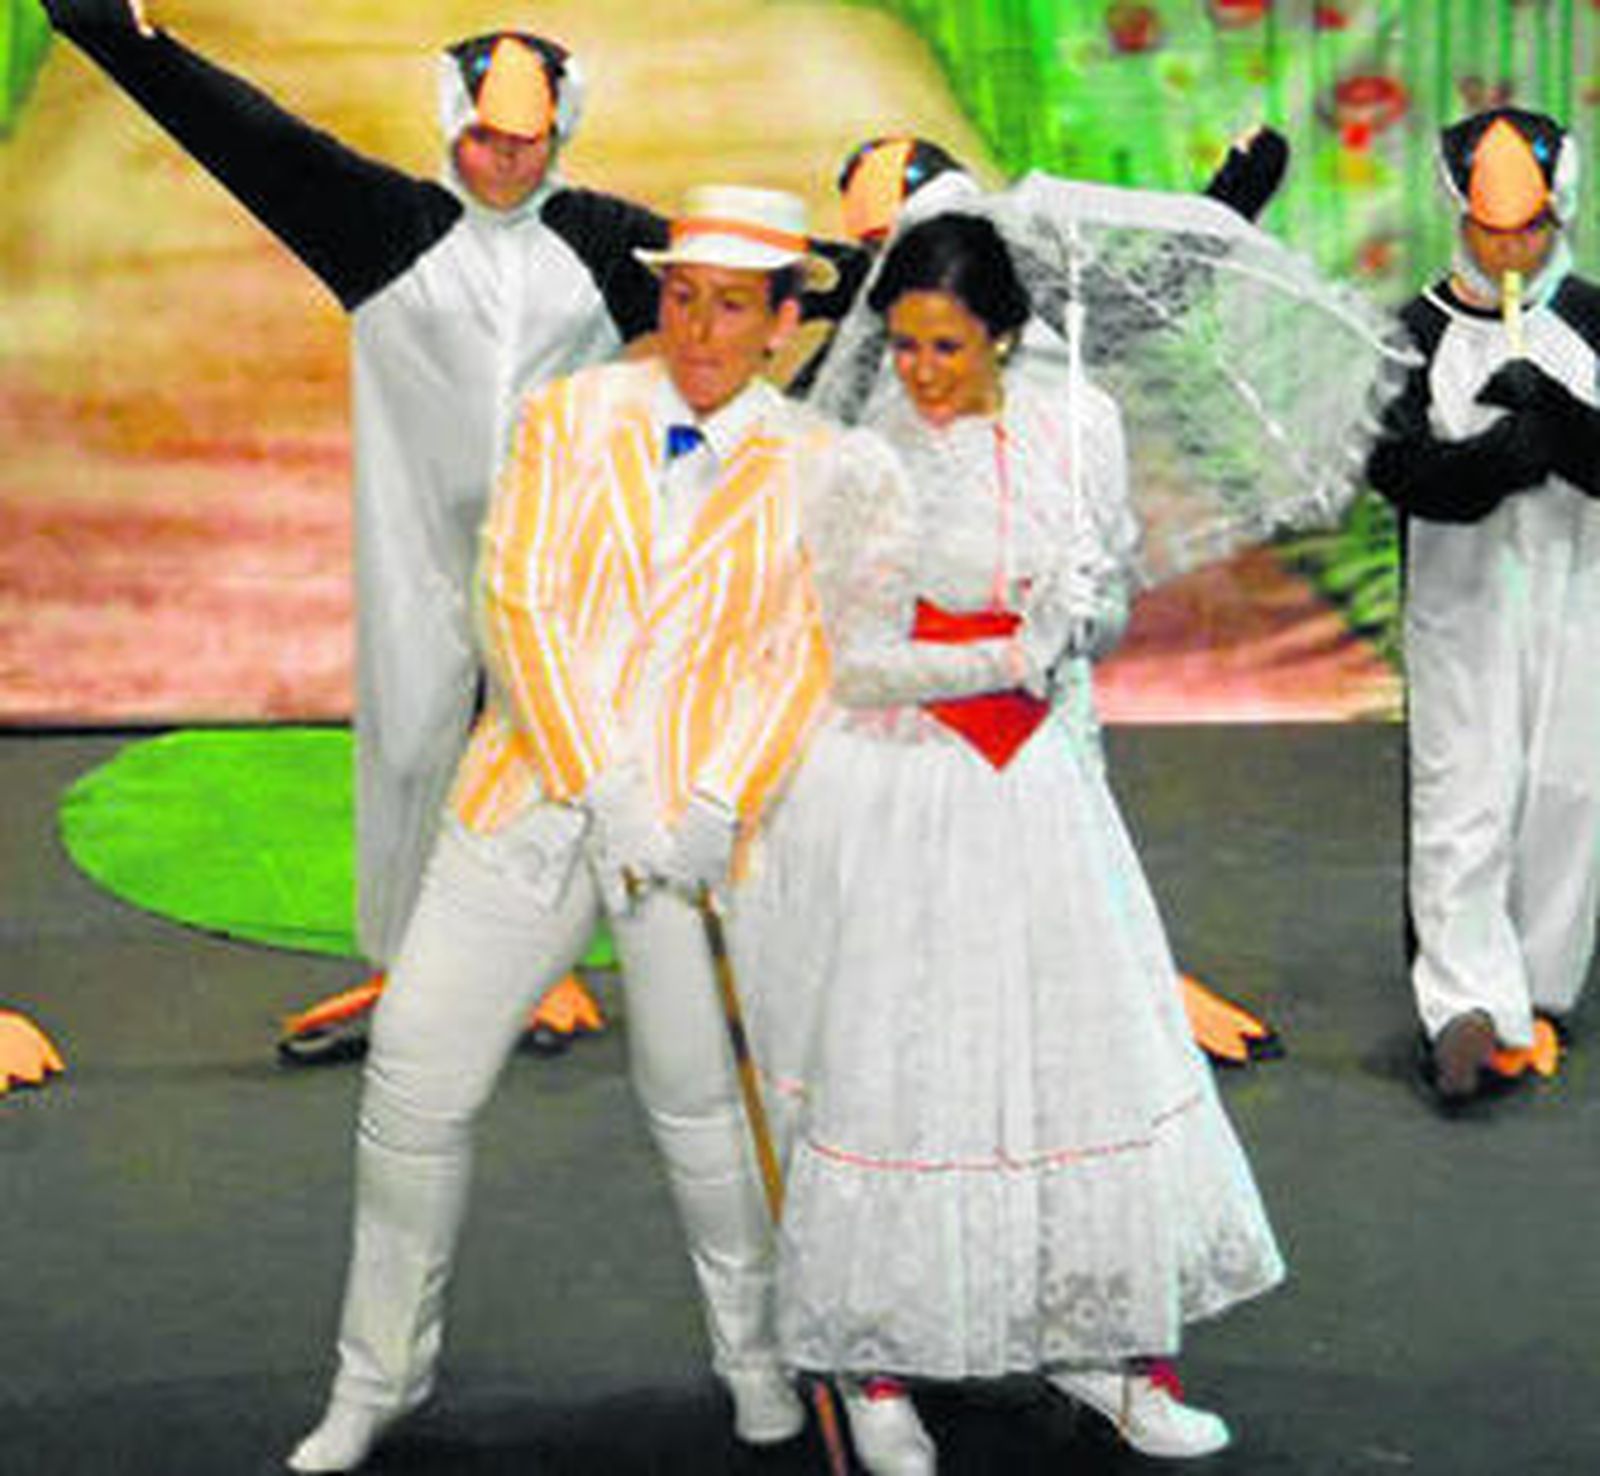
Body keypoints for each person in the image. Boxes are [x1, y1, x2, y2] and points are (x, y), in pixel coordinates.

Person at [283, 184, 878, 1473]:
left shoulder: (824, 467)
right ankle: (375, 1379)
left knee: (703, 1115)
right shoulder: (567, 417)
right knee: (412, 1084)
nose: (702, 329)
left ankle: (757, 1363)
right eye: (681, 299)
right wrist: (603, 781)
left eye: (732, 306)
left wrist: (715, 799)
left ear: (785, 323)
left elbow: (803, 653)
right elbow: (523, 603)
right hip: (531, 805)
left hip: (695, 851)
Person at [735, 213, 1284, 1473]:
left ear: (1006, 337)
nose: (917, 370)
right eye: (902, 343)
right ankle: (878, 1364)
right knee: (910, 1062)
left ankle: (1105, 1349)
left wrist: (1087, 606)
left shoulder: (1077, 425)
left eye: (944, 346)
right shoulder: (864, 465)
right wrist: (1007, 647)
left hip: (1040, 783)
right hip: (909, 785)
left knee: (1070, 1051)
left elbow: (1104, 594)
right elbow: (862, 663)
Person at [41, 0, 668, 1054]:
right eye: (483, 135)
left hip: (557, 557)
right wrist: (112, 32)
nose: (504, 161)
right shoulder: (385, 229)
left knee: (543, 754)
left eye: (527, 140)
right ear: (447, 121)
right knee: (416, 745)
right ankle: (413, 974)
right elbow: (253, 138)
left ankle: (538, 971)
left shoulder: (607, 242)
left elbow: (754, 283)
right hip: (418, 555)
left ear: (561, 130)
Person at [816, 130, 1291, 1068]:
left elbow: (1147, 295)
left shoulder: (1052, 348)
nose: (890, 264)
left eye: (897, 235)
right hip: (924, 670)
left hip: (1040, 656)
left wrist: (1232, 193)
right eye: (872, 246)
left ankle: (1136, 988)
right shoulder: (880, 348)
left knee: (1065, 819)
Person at [1366, 107, 1600, 1105]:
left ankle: (1538, 992)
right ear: (1457, 214)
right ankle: (1464, 1004)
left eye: (1530, 229)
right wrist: (1484, 464)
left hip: (1578, 595)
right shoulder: (1407, 332)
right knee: (1461, 795)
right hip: (1459, 609)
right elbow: (1392, 468)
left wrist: (1561, 424)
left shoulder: (1593, 320)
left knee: (1567, 789)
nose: (1510, 247)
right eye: (1490, 228)